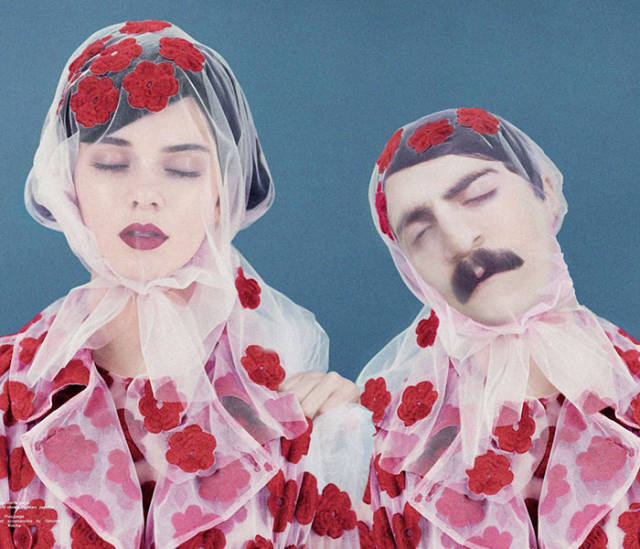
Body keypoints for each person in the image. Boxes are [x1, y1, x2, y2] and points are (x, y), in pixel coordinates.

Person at [0, 20, 358, 548]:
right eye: (112, 163)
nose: (145, 194)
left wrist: (351, 441)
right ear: (66, 182)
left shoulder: (289, 398)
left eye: (183, 169)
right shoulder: (10, 389)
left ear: (223, 190)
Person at [356, 108, 640, 548]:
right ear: (411, 270)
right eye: (421, 233)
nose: (458, 240)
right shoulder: (389, 444)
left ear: (546, 191)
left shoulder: (629, 386)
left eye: (478, 195)